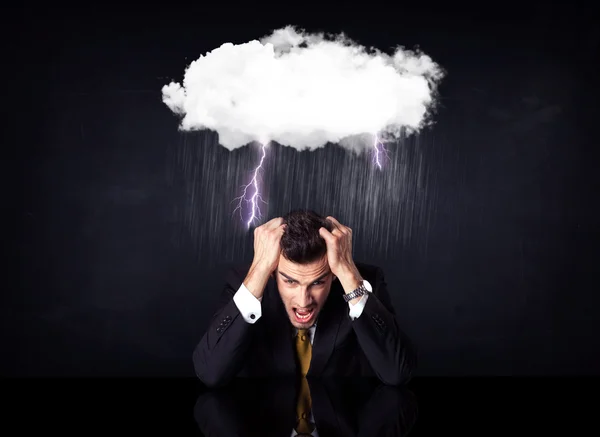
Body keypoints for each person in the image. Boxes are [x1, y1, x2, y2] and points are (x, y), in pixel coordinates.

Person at [192, 209, 416, 387]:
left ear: (334, 275)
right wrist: (258, 271)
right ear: (272, 272)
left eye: (318, 282)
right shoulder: (246, 284)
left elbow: (397, 373)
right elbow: (210, 373)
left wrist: (349, 276)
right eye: (290, 281)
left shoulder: (362, 283)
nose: (303, 300)